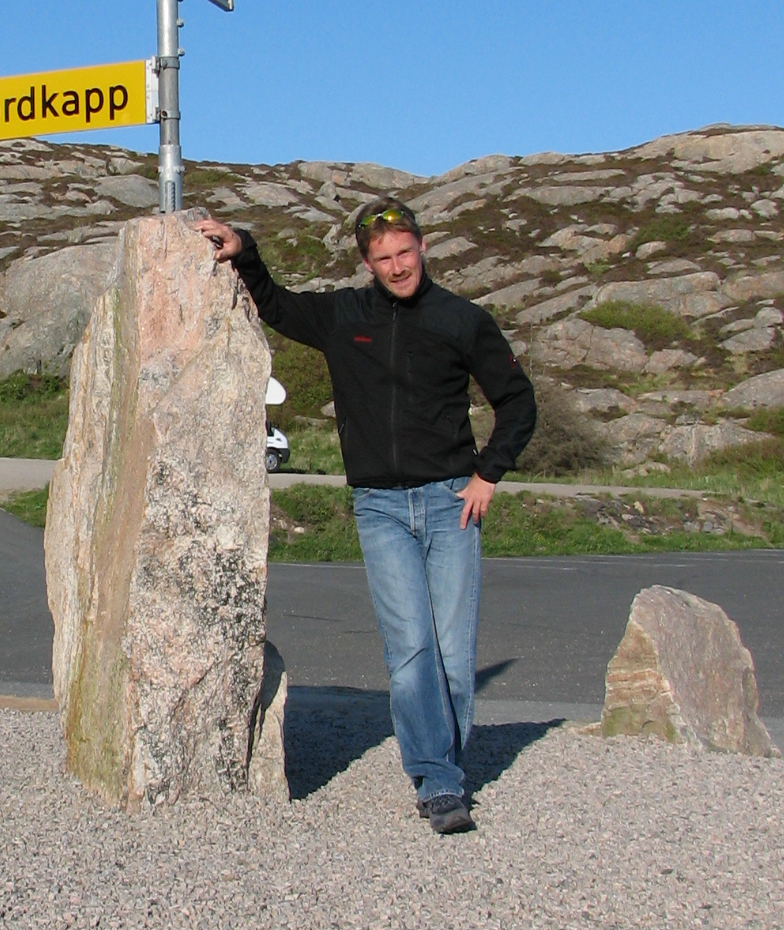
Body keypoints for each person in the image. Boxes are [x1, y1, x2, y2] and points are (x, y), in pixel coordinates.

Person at [198, 198, 536, 834]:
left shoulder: (463, 320)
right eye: (384, 258)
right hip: (380, 506)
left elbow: (518, 401)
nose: (398, 266)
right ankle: (438, 780)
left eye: (405, 252)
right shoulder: (344, 315)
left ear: (423, 247)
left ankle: (444, 764)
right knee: (411, 646)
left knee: (452, 652)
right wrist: (244, 246)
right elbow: (277, 304)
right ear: (367, 263)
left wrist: (488, 474)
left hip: (451, 503)